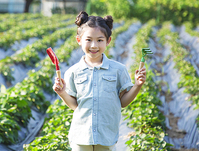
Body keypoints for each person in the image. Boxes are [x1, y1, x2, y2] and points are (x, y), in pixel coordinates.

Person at [53, 11, 147, 151]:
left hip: (106, 136)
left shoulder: (118, 70)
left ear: (108, 41)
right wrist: (62, 93)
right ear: (79, 40)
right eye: (88, 39)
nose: (94, 45)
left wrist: (137, 86)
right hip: (81, 136)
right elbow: (75, 106)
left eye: (100, 40)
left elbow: (123, 102)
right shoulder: (73, 72)